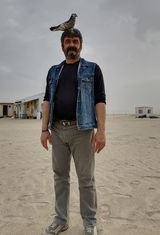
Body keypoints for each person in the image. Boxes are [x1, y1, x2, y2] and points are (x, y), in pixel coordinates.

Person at [40, 28, 106, 235]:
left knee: (86, 178)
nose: (72, 45)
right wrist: (44, 129)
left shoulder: (92, 69)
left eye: (75, 41)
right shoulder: (53, 71)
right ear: (62, 45)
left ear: (81, 45)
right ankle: (61, 220)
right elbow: (47, 100)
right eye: (68, 41)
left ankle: (90, 222)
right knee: (60, 176)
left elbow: (100, 100)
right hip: (57, 130)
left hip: (83, 130)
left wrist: (101, 131)